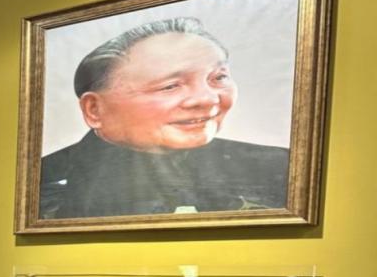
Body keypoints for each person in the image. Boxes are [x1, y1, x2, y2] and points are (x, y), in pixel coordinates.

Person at [38, 17, 289, 220]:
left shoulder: (278, 167)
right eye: (170, 86)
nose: (208, 98)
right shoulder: (41, 185)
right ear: (95, 109)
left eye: (218, 78)